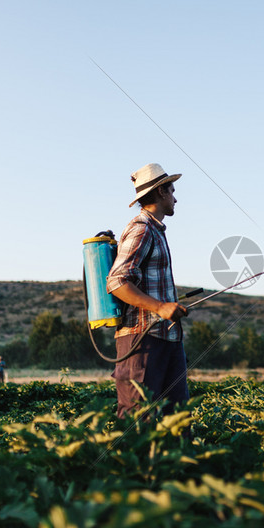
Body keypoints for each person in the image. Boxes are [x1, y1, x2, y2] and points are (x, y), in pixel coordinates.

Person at [106, 163, 190, 419]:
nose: (175, 198)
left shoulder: (156, 230)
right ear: (161, 192)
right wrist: (160, 307)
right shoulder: (141, 228)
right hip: (142, 340)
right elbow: (116, 281)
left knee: (176, 419)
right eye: (172, 191)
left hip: (167, 338)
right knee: (137, 420)